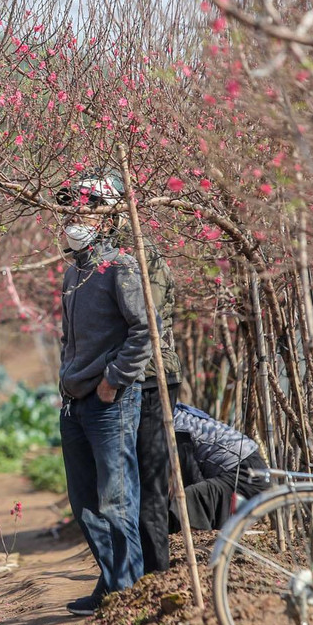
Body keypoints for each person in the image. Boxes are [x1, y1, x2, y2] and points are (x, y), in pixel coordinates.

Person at [55, 175, 153, 616]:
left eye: (89, 205)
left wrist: (113, 380)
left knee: (116, 501)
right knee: (86, 504)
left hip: (109, 402)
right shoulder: (74, 270)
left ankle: (128, 598)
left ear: (110, 216)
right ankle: (112, 585)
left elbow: (144, 330)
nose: (77, 212)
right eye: (72, 205)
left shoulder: (122, 267)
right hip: (75, 401)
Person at [134, 239, 183, 574]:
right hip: (129, 379)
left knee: (149, 480)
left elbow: (144, 322)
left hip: (152, 377)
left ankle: (155, 572)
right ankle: (133, 571)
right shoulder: (100, 255)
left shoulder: (141, 255)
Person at [168, 403, 269, 531]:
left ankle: (203, 545)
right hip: (247, 468)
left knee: (192, 498)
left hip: (246, 473)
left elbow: (190, 477)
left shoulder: (178, 429)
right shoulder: (182, 417)